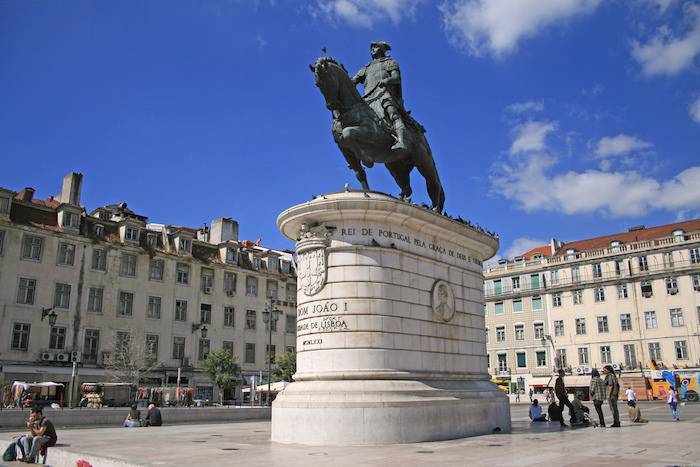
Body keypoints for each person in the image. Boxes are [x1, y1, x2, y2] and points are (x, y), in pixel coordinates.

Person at [352, 41, 409, 152]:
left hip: (383, 93)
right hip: (367, 99)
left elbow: (397, 78)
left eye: (375, 47)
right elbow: (353, 81)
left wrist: (387, 80)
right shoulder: (366, 68)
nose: (372, 49)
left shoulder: (390, 62)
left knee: (392, 112)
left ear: (382, 49)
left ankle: (402, 141)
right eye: (371, 48)